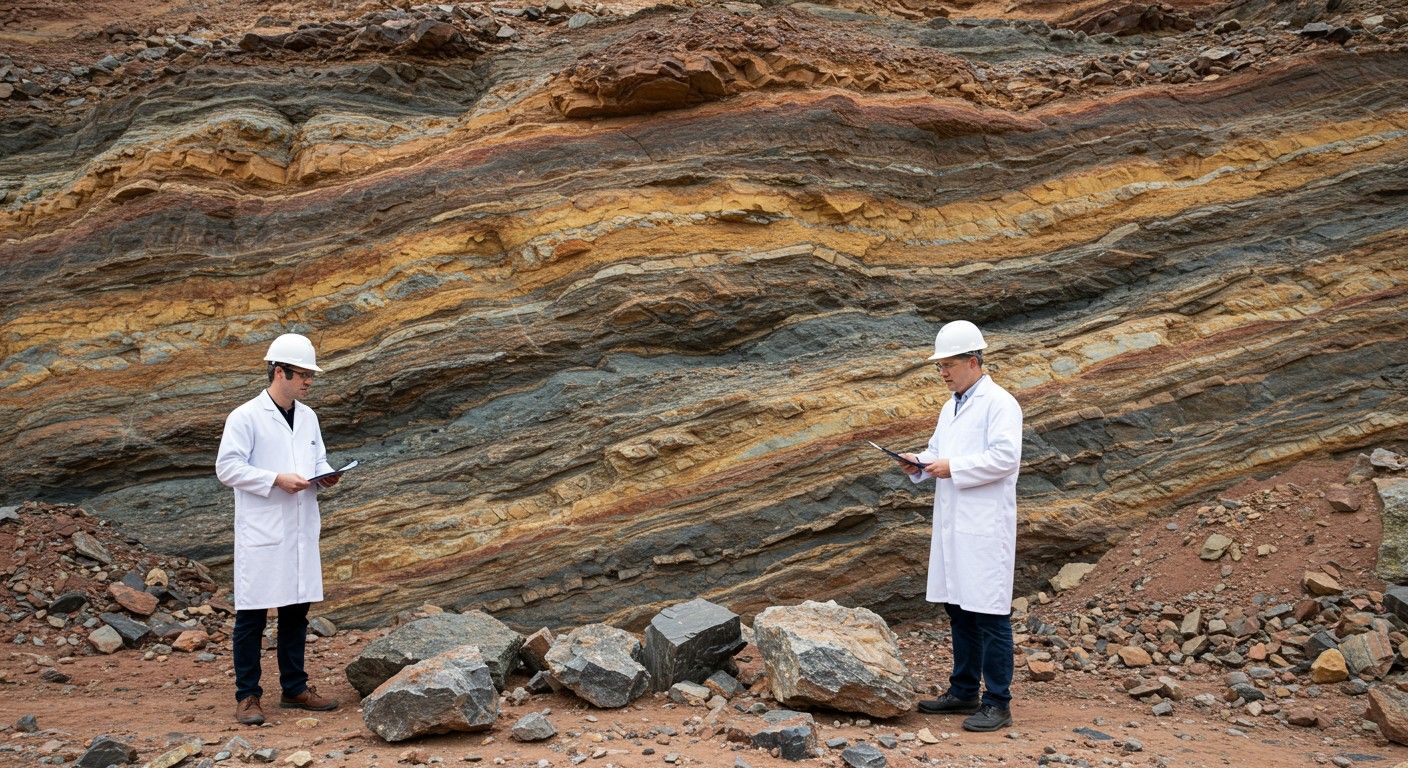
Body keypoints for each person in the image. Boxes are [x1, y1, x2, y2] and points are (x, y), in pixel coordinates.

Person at [895, 320, 1023, 732]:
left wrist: (955, 467)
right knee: (959, 609)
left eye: (949, 364)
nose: (943, 373)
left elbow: (1006, 459)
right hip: (955, 524)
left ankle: (997, 702)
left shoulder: (1000, 403)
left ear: (973, 360)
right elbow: (937, 452)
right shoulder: (951, 406)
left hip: (985, 527)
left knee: (989, 612)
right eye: (940, 367)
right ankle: (964, 689)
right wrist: (917, 462)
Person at [216, 333, 341, 726]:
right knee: (251, 616)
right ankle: (248, 695)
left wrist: (325, 476)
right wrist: (275, 479)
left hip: (299, 527)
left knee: (295, 612)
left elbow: (316, 459)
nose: (308, 382)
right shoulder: (245, 416)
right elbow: (227, 468)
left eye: (310, 376)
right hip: (263, 531)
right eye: (303, 374)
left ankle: (294, 687)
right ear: (279, 371)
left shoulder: (308, 417)